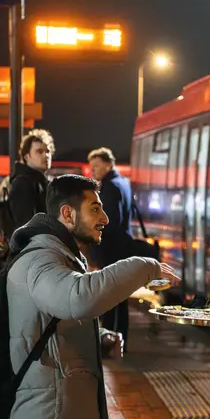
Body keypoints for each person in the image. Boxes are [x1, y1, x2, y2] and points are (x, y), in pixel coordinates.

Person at [4, 174, 180, 419]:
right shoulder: (41, 259)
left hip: (53, 415)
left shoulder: (58, 254)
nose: (105, 219)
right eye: (95, 209)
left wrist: (99, 338)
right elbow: (78, 297)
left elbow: (54, 319)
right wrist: (143, 266)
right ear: (68, 214)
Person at [87, 147, 134, 351]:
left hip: (111, 249)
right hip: (123, 247)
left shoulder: (110, 187)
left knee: (109, 297)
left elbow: (108, 223)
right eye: (92, 167)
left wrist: (96, 251)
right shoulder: (124, 182)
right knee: (121, 298)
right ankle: (121, 338)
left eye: (96, 166)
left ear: (108, 164)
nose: (93, 171)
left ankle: (109, 341)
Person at [9, 129, 53, 230]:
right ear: (27, 156)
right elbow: (25, 224)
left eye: (48, 151)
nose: (45, 156)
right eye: (39, 152)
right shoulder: (23, 183)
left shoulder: (42, 182)